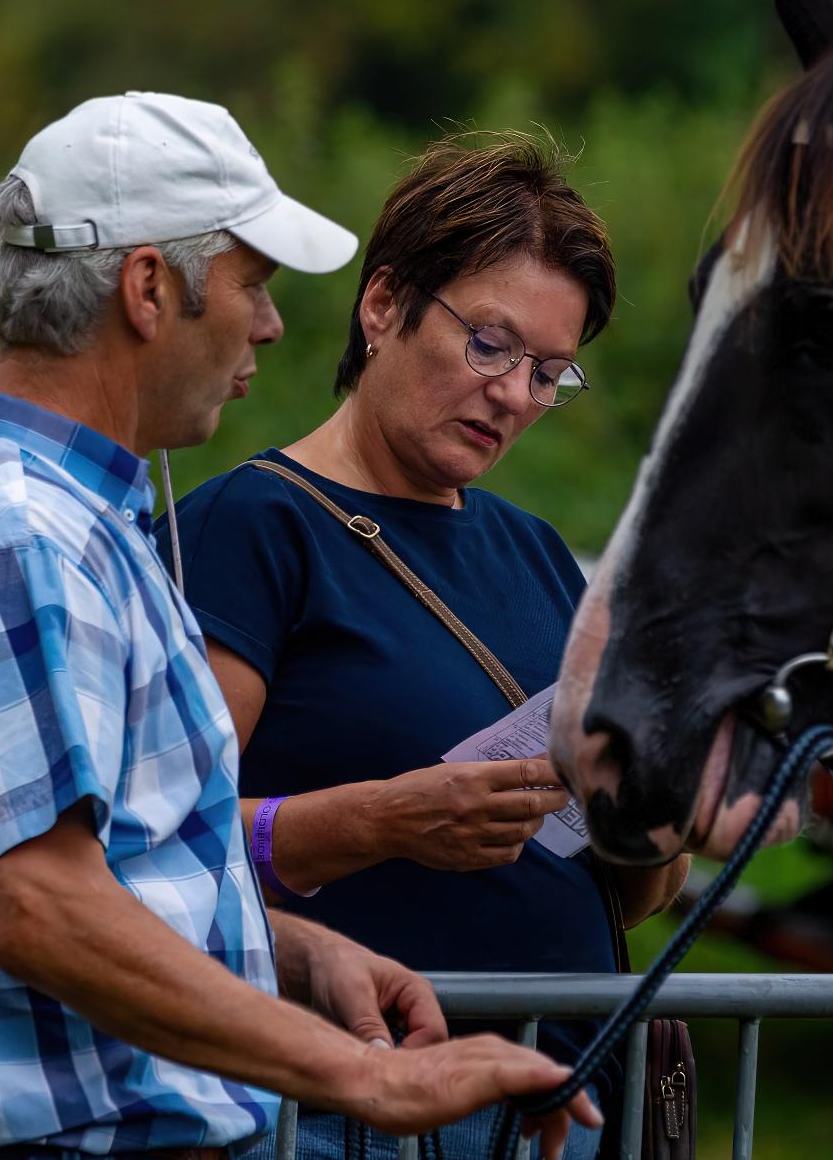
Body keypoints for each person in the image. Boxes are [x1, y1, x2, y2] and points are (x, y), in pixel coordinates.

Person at [0, 94, 602, 1160]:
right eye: (251, 286)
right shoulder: (21, 536)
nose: (267, 324)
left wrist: (296, 953)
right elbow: (46, 908)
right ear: (145, 288)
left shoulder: (55, 519)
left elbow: (118, 873)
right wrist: (362, 1074)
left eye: (545, 372)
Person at [169, 133, 691, 1159]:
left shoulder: (534, 551)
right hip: (344, 1111)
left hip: (563, 1103)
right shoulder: (251, 529)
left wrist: (660, 811)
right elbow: (158, 846)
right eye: (489, 344)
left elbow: (628, 888)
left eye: (549, 372)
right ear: (382, 306)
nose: (513, 395)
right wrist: (388, 819)